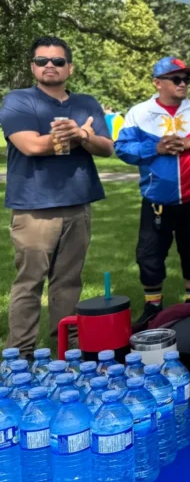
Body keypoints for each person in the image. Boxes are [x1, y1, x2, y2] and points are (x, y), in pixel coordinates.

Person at [0, 36, 114, 357]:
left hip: (78, 204)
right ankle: (20, 355)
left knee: (69, 282)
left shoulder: (86, 103)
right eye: (42, 61)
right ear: (32, 67)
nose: (50, 65)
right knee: (30, 282)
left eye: (58, 61)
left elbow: (107, 147)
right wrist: (82, 135)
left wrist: (82, 135)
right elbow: (31, 146)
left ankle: (68, 348)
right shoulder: (18, 100)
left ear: (70, 68)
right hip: (34, 208)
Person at [115, 57, 190, 320]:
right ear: (158, 83)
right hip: (156, 199)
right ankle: (153, 308)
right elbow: (122, 148)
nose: (183, 83)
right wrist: (155, 147)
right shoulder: (139, 113)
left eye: (187, 79)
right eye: (176, 79)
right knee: (150, 254)